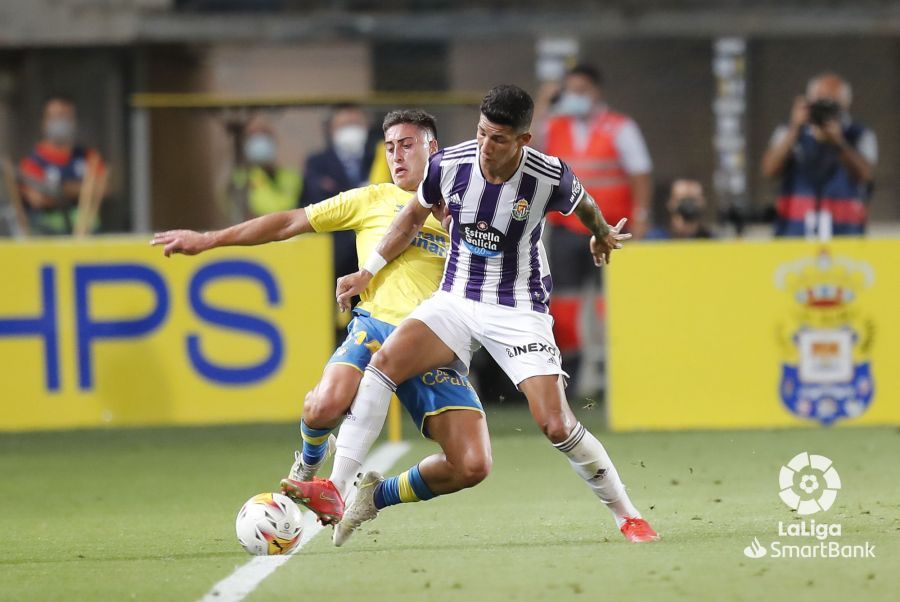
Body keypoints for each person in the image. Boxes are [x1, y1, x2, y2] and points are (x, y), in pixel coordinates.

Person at [327, 85, 658, 546]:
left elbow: (583, 204)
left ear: (523, 140)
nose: (485, 146)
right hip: (457, 299)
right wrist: (367, 272)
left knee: (556, 423)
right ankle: (334, 488)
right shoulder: (449, 164)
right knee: (384, 363)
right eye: (481, 133)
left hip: (518, 308)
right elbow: (408, 219)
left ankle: (627, 514)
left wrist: (601, 234)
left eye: (498, 139)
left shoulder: (549, 176)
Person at [150, 109, 490, 527]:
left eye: (406, 145)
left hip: (433, 344)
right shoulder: (370, 199)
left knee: (472, 465)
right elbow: (289, 222)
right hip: (375, 328)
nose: (396, 156)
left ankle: (375, 494)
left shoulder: (468, 209)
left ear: (432, 148)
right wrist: (210, 239)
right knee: (323, 406)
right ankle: (307, 469)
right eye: (389, 147)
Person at [533, 64, 653, 390]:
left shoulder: (619, 128)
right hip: (565, 229)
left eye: (581, 90)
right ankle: (568, 381)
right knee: (564, 305)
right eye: (569, 90)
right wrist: (544, 102)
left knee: (610, 303)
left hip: (609, 229)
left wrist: (640, 217)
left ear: (596, 91)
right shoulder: (554, 125)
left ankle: (615, 380)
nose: (575, 97)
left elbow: (640, 172)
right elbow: (526, 143)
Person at [761, 72, 877, 238]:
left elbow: (866, 175)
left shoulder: (858, 134)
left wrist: (839, 142)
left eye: (832, 103)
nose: (825, 110)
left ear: (845, 104)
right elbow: (769, 169)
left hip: (845, 233)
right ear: (809, 101)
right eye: (820, 101)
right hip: (794, 232)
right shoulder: (789, 131)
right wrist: (795, 129)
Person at [299, 104, 379, 284]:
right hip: (331, 252)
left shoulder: (380, 158)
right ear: (331, 129)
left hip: (372, 252)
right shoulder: (317, 163)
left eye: (355, 124)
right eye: (344, 125)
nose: (351, 131)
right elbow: (313, 201)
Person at [18, 96, 106, 235]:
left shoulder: (89, 156)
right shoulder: (32, 162)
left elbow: (101, 189)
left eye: (66, 116)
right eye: (56, 116)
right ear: (44, 121)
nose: (61, 122)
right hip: (48, 236)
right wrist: (79, 189)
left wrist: (58, 190)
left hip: (88, 236)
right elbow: (38, 200)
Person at [228, 116, 302, 221]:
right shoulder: (240, 177)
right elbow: (236, 211)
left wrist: (258, 180)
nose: (260, 142)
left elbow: (282, 208)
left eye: (264, 136)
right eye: (254, 137)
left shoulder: (291, 175)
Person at [645, 179, 714, 240]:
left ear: (702, 202)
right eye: (683, 200)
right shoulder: (655, 239)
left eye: (693, 200)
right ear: (670, 203)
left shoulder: (713, 240)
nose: (688, 205)